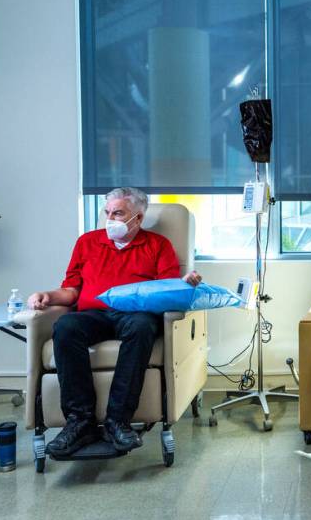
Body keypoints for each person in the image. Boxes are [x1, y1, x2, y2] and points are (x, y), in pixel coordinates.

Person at [28, 187, 201, 458]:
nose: (110, 219)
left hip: (135, 315)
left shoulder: (158, 245)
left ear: (138, 218)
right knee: (65, 327)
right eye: (107, 212)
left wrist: (184, 285)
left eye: (118, 213)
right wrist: (46, 296)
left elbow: (166, 292)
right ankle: (80, 422)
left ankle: (118, 421)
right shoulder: (87, 242)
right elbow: (71, 291)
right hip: (93, 314)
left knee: (142, 327)